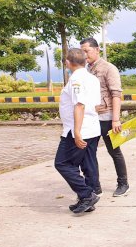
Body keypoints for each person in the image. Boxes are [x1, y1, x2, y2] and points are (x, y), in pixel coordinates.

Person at [54, 48, 101, 214]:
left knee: (62, 163)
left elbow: (79, 105)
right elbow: (96, 104)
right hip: (93, 127)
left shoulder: (76, 79)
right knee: (88, 163)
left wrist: (77, 132)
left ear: (68, 62)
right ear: (85, 61)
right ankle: (88, 199)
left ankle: (87, 194)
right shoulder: (92, 78)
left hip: (79, 130)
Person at [80, 38, 128, 197]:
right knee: (89, 153)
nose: (84, 54)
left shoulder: (109, 68)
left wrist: (115, 119)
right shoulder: (86, 69)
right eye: (82, 51)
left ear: (97, 50)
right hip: (92, 117)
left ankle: (123, 183)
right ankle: (95, 186)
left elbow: (116, 94)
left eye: (86, 50)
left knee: (114, 151)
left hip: (107, 117)